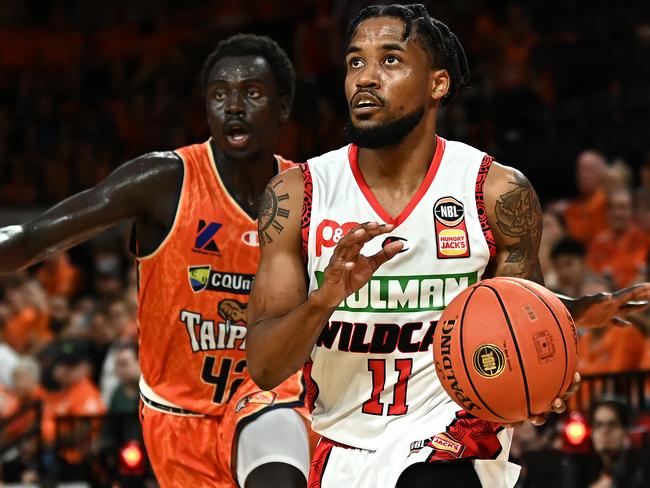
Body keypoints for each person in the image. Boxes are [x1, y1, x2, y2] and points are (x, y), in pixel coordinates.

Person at [247, 4, 650, 487]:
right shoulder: (297, 194)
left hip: (458, 433)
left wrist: (547, 376)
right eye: (356, 62)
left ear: (438, 84)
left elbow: (518, 313)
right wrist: (323, 300)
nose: (366, 78)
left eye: (390, 60)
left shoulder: (495, 191)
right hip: (345, 444)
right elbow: (266, 366)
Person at [0, 34, 310, 487]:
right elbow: (32, 239)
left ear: (283, 107)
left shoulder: (309, 190)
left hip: (269, 395)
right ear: (206, 109)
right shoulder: (165, 181)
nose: (235, 106)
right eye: (220, 95)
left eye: (253, 93)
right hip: (176, 416)